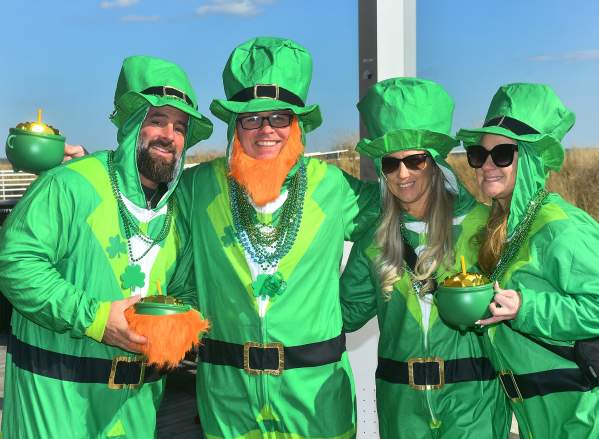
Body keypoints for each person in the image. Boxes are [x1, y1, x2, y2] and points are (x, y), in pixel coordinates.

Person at [171, 36, 378, 438]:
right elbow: (144, 206)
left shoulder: (331, 186)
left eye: (279, 117)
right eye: (251, 117)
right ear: (235, 125)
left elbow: (392, 215)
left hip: (314, 398)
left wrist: (350, 302)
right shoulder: (198, 188)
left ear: (297, 123)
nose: (266, 129)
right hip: (229, 399)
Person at [0, 55, 213, 438]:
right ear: (132, 125)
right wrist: (96, 319)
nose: (170, 135)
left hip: (137, 410)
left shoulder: (177, 211)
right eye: (157, 120)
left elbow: (185, 288)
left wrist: (180, 324)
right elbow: (17, 264)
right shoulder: (70, 185)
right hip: (57, 402)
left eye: (180, 127)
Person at [340, 78, 511, 438]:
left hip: (472, 402)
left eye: (415, 160)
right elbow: (344, 314)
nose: (402, 174)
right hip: (401, 407)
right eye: (390, 164)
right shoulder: (373, 239)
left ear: (434, 162)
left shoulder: (485, 224)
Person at [457, 82, 599, 438]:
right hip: (536, 418)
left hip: (579, 415)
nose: (487, 165)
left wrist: (527, 307)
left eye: (503, 154)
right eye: (478, 154)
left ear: (533, 159)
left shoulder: (561, 228)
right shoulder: (500, 228)